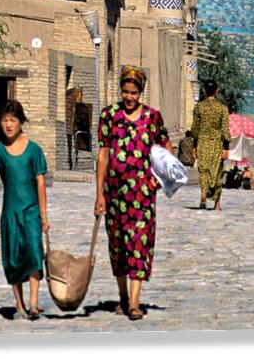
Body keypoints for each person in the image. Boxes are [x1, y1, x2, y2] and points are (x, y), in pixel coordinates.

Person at [94, 64, 170, 321]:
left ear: (141, 92)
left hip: (142, 197)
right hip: (114, 195)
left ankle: (135, 301)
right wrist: (99, 194)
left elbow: (165, 149)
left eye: (133, 93)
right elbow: (103, 154)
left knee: (139, 244)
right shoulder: (109, 116)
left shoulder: (152, 118)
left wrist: (158, 179)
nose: (129, 97)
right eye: (125, 92)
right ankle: (123, 296)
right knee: (118, 246)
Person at [0, 101, 49, 320]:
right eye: (5, 120)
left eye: (13, 120)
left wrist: (43, 215)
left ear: (21, 122)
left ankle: (34, 302)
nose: (8, 125)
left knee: (34, 254)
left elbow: (40, 183)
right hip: (10, 214)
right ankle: (19, 305)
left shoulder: (34, 150)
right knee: (13, 257)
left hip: (31, 212)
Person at [190, 79, 230, 211]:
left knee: (204, 171)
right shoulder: (222, 108)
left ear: (204, 91)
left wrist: (194, 146)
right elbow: (225, 130)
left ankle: (203, 192)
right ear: (216, 91)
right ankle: (217, 204)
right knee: (217, 172)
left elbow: (195, 129)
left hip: (202, 143)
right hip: (216, 144)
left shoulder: (199, 107)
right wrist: (226, 148)